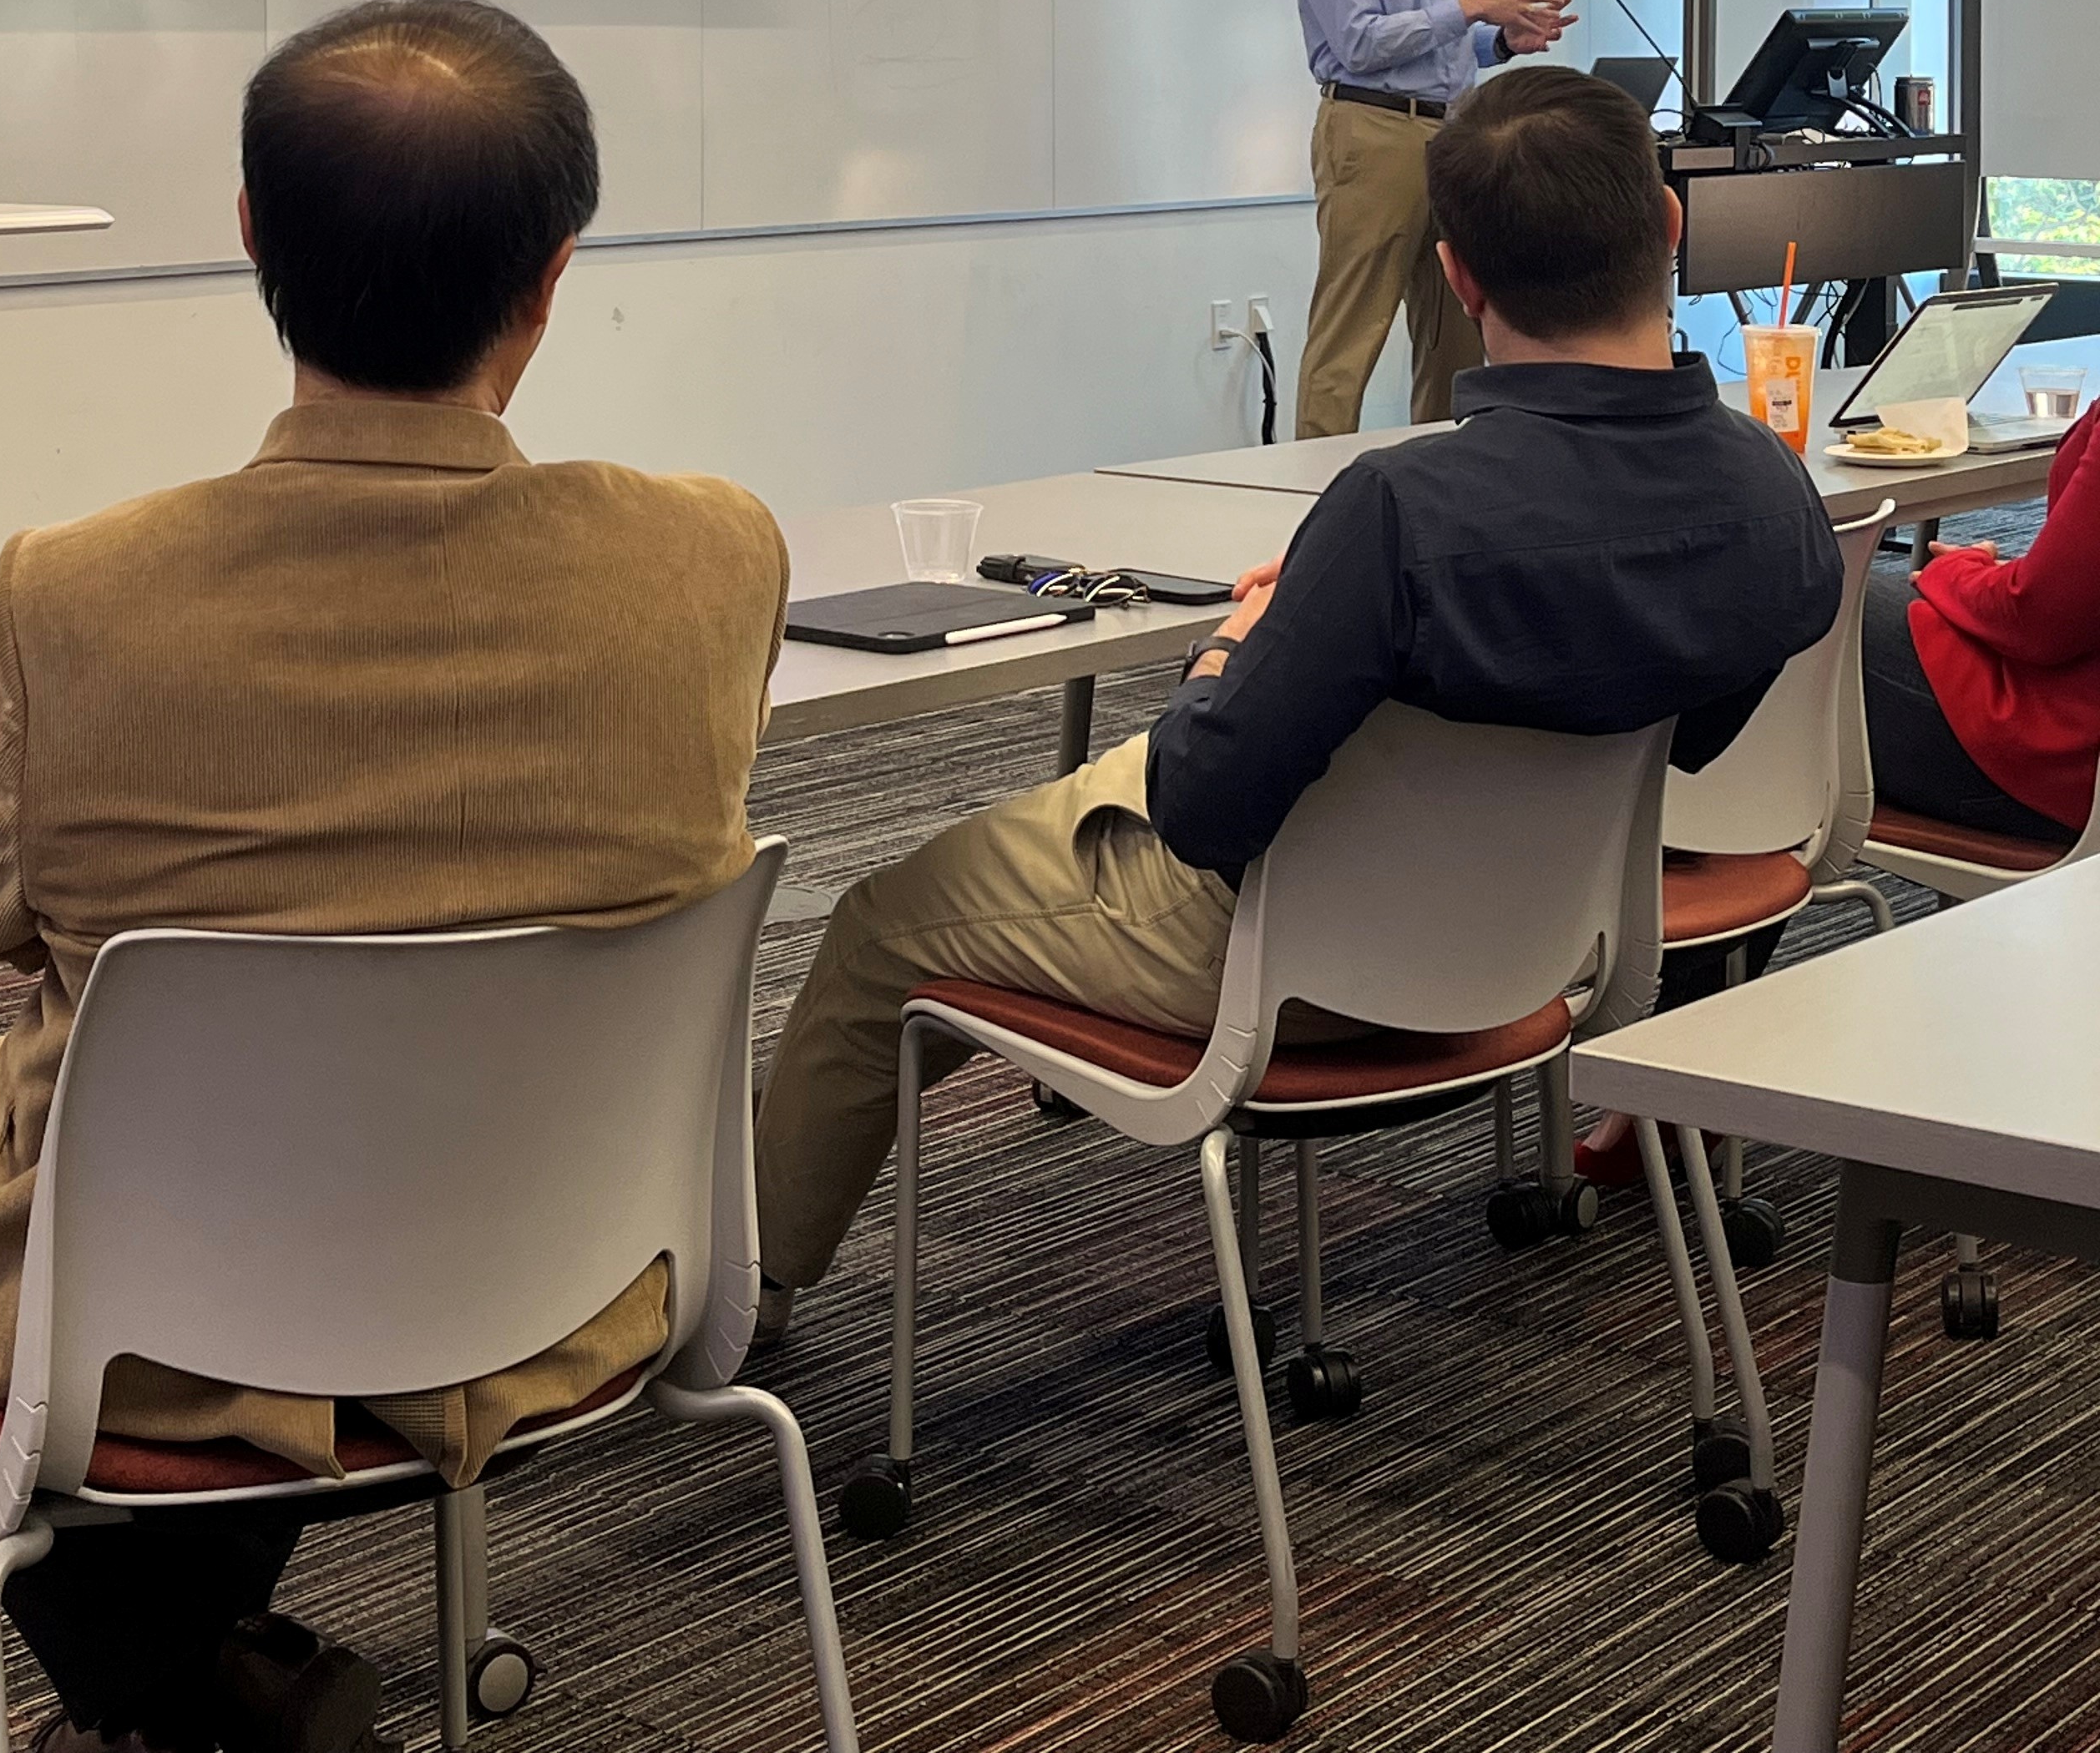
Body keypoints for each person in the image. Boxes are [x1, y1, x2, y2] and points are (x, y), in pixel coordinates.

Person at [0, 0, 786, 1753]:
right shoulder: (712, 558)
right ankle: (218, 1662)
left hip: (179, 1312)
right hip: (568, 1274)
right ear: (554, 279)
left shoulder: (75, 594)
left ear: (251, 237)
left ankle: (182, 1684)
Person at [749, 68, 1842, 1317]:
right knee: (1035, 850)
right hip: (1546, 946)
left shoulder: (1400, 512)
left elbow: (1208, 810)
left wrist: (1239, 644)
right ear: (1671, 226)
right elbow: (1685, 742)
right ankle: (777, 1125)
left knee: (885, 921)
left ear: (1457, 277)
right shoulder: (1771, 493)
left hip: (1294, 970)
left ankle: (748, 1287)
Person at [1288, 0, 1575, 437]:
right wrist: (1475, 7)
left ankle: (1445, 487)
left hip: (1458, 131)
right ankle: (1312, 500)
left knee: (1458, 333)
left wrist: (1504, 42)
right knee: (1351, 334)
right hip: (1374, 131)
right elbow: (1359, 42)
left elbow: (1443, 40)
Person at [1860, 395, 2100, 843]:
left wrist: (1958, 572)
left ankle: (1729, 877)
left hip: (2057, 758)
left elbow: (2039, 617)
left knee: (1794, 599)